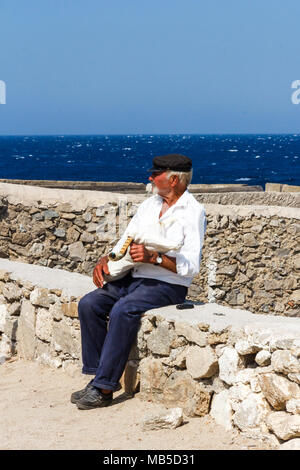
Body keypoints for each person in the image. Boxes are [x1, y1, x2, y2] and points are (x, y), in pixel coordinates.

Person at [71, 154, 206, 410]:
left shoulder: (193, 212)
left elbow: (191, 266)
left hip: (168, 285)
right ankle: (99, 378)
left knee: (124, 310)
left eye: (156, 174)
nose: (150, 177)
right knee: (90, 303)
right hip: (133, 278)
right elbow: (125, 240)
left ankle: (103, 388)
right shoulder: (149, 205)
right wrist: (107, 259)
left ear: (174, 179)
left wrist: (154, 258)